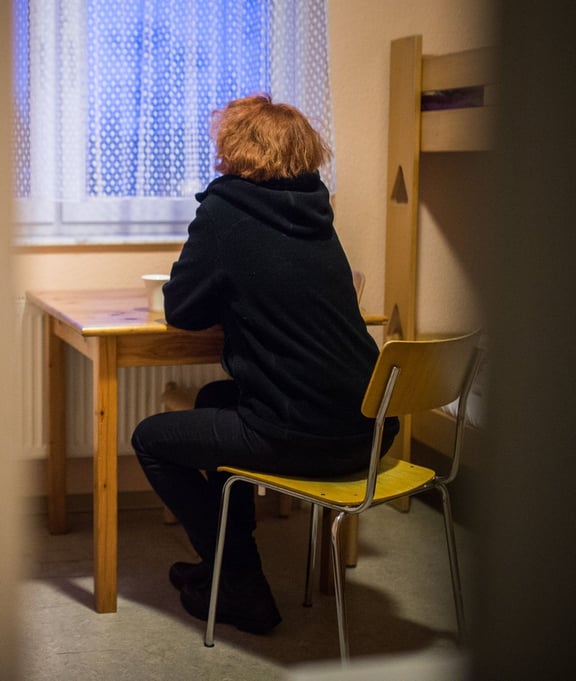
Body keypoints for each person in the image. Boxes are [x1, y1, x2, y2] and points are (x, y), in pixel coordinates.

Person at [131, 94, 398, 635]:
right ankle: (223, 567)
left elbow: (181, 310)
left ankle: (241, 582)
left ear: (236, 150)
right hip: (370, 428)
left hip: (303, 433)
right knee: (214, 400)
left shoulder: (226, 211)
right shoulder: (316, 212)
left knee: (150, 440)